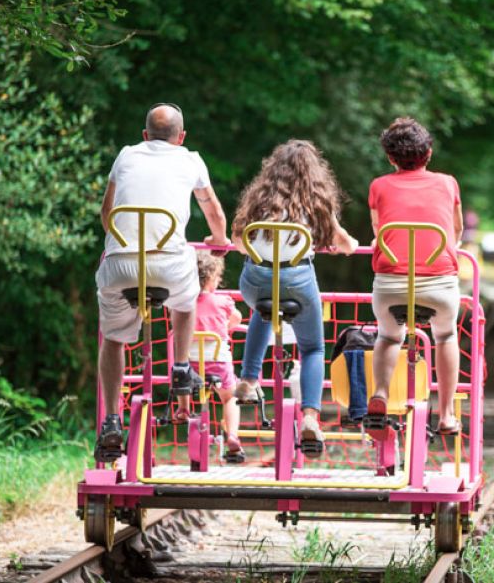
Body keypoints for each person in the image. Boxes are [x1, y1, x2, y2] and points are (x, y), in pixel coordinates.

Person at [94, 103, 228, 463]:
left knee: (113, 340)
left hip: (121, 263)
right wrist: (220, 239)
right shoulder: (190, 159)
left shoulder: (125, 155)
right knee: (186, 300)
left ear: (144, 135)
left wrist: (121, 243)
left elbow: (107, 213)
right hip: (168, 266)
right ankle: (181, 367)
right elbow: (212, 209)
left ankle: (111, 420)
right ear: (181, 137)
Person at [231, 140, 359, 458]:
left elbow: (238, 241)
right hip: (297, 281)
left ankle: (248, 379)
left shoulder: (258, 200)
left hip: (255, 282)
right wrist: (349, 244)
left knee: (263, 309)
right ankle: (310, 418)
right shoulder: (314, 202)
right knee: (313, 347)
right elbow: (345, 244)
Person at [367, 117, 463, 436]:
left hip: (391, 283)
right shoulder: (448, 183)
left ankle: (380, 392)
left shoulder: (378, 186)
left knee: (388, 336)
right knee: (446, 336)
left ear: (390, 157)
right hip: (440, 283)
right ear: (429, 153)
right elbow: (457, 229)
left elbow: (380, 232)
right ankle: (447, 413)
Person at [189, 250, 244, 460]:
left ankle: (183, 408)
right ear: (212, 277)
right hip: (218, 362)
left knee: (183, 382)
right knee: (230, 397)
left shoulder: (184, 302)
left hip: (191, 363)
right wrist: (225, 327)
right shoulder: (223, 301)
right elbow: (237, 318)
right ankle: (232, 435)